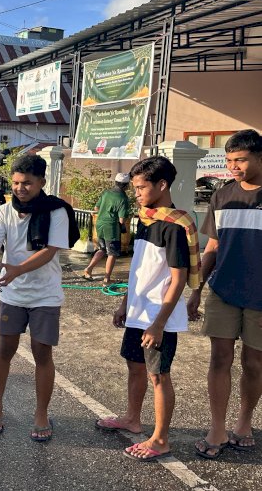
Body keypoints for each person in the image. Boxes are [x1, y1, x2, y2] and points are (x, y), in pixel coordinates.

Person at [96, 156, 198, 462]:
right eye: (135, 188)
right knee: (135, 366)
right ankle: (132, 418)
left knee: (158, 376)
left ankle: (161, 438)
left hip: (159, 318)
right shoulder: (146, 219)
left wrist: (158, 323)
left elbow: (178, 279)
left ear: (162, 185)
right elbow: (139, 267)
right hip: (137, 313)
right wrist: (124, 303)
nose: (136, 193)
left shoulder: (174, 226)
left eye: (141, 187)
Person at [0, 154, 78, 439]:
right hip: (12, 294)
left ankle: (41, 413)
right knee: (5, 349)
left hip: (45, 295)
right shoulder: (3, 211)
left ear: (42, 182)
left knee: (42, 354)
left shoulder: (56, 211)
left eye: (27, 183)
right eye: (16, 183)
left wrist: (16, 270)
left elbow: (49, 251)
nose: (20, 188)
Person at [189, 129, 262, 460]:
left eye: (241, 160)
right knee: (219, 357)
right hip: (224, 289)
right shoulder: (223, 195)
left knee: (255, 362)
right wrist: (196, 289)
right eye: (230, 160)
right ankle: (217, 426)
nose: (234, 166)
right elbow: (213, 247)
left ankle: (244, 423)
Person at [81, 172, 131, 286]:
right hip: (111, 227)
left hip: (100, 224)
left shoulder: (106, 192)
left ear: (116, 182)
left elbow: (96, 207)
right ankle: (107, 279)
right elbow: (122, 219)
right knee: (112, 253)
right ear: (127, 185)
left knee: (102, 249)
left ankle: (88, 269)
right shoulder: (123, 198)